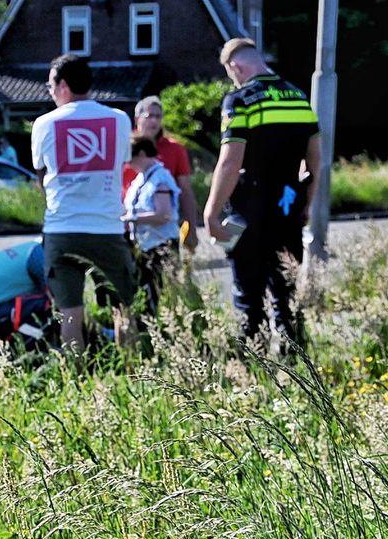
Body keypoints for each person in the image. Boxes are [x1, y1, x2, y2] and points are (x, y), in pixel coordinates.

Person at [203, 37, 322, 349]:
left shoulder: (240, 99)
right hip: (288, 206)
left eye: (232, 74)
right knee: (286, 293)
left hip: (247, 211)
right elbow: (315, 160)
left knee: (248, 294)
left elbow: (230, 162)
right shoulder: (298, 97)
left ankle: (253, 367)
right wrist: (307, 203)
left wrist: (211, 212)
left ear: (236, 66)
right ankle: (294, 362)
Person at [30, 54, 136, 352]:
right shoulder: (119, 119)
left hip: (62, 228)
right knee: (122, 307)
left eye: (50, 85)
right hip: (107, 229)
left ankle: (74, 373)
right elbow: (121, 165)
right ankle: (132, 374)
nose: (49, 91)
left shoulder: (43, 124)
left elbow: (41, 175)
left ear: (63, 85)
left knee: (68, 313)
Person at [122, 95, 200, 250]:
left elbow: (185, 190)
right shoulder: (124, 145)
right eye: (149, 115)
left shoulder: (174, 148)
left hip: (159, 232)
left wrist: (191, 226)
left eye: (158, 116)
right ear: (137, 118)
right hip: (127, 229)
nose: (154, 121)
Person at [123, 136, 181, 315]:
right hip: (144, 246)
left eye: (130, 158)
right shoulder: (142, 178)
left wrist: (131, 219)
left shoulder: (159, 178)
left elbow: (163, 214)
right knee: (147, 296)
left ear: (141, 154)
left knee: (161, 297)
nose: (128, 163)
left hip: (160, 246)